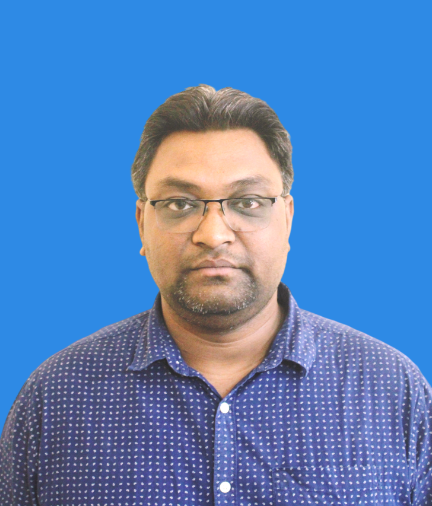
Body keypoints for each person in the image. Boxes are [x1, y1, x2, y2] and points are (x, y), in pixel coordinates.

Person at [0, 85, 431, 506]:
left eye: (247, 202)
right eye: (179, 203)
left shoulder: (392, 389)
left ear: (287, 219)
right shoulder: (55, 396)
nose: (213, 234)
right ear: (141, 224)